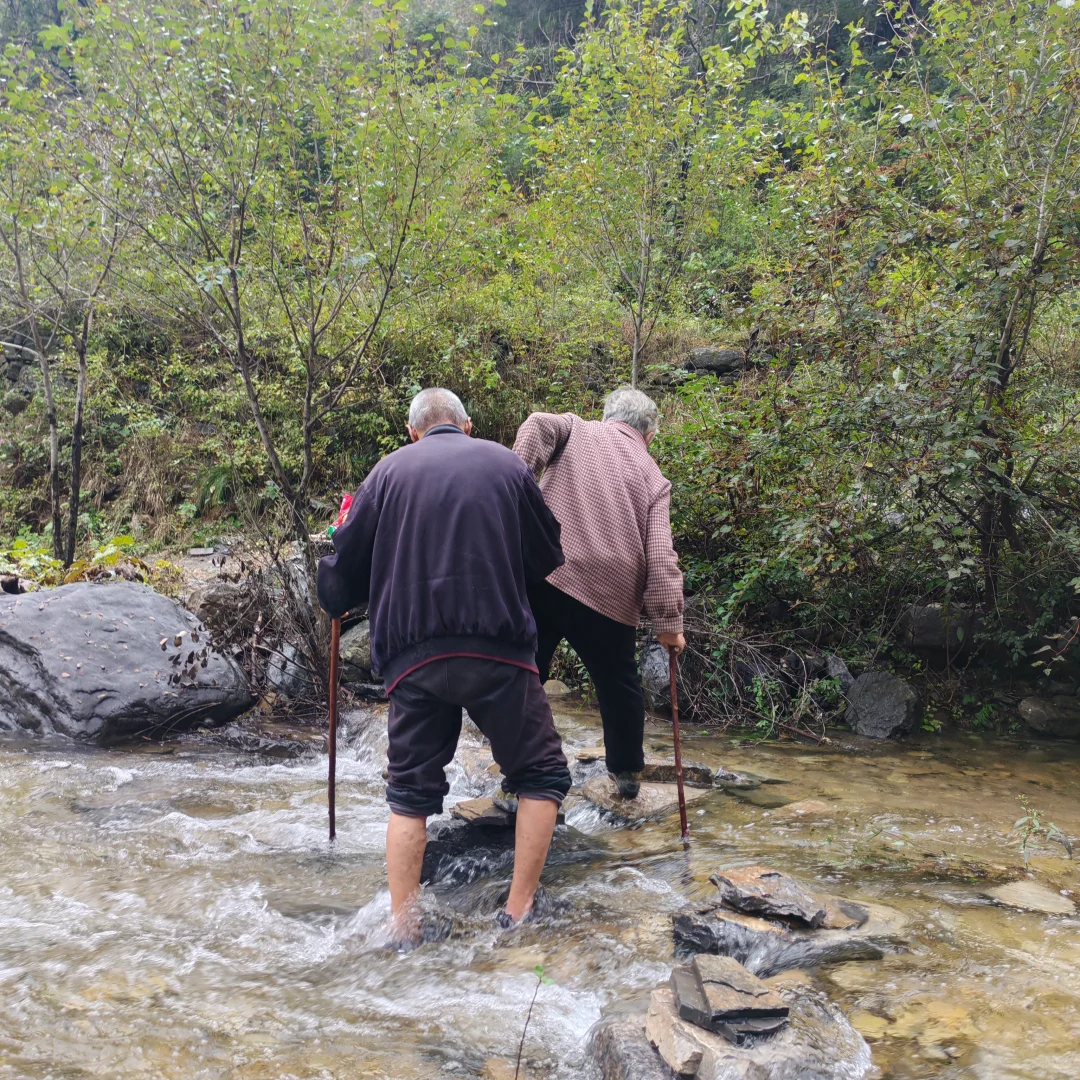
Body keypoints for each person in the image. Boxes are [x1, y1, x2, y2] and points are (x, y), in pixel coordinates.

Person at [317, 388, 571, 939]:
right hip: (499, 652)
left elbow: (341, 582)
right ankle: (518, 911)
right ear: (467, 425)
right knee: (541, 775)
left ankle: (404, 927)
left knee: (409, 794)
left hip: (413, 659)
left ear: (413, 432)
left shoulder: (384, 475)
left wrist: (329, 565)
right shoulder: (506, 465)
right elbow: (547, 553)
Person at [513, 386, 685, 800]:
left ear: (607, 415)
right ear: (649, 435)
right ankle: (626, 780)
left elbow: (536, 424)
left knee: (525, 672)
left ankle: (520, 770)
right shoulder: (653, 477)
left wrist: (514, 489)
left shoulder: (574, 428)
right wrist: (668, 624)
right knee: (618, 685)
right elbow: (661, 555)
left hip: (548, 572)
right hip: (613, 592)